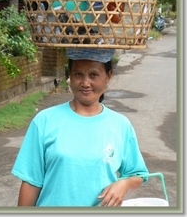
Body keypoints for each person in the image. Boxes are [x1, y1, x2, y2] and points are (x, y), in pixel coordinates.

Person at [11, 48, 149, 207]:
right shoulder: (45, 120)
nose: (85, 83)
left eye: (94, 75)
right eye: (78, 74)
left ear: (108, 76)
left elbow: (137, 174)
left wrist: (124, 185)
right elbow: (31, 182)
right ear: (69, 75)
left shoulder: (120, 125)